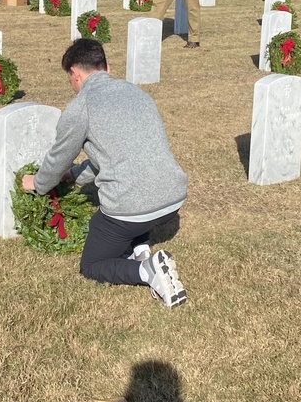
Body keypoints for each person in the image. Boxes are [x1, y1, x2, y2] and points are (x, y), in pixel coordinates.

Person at [21, 38, 188, 308]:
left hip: (133, 209)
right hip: (173, 201)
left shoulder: (82, 105)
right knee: (134, 197)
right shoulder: (137, 93)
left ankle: (147, 270)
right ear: (107, 67)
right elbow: (115, 156)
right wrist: (75, 176)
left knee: (92, 264)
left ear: (75, 74)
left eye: (70, 79)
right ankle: (139, 246)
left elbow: (59, 156)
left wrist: (38, 184)